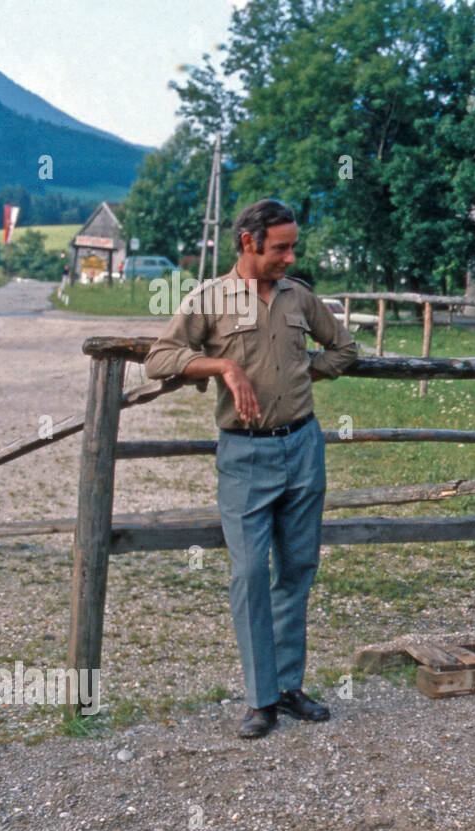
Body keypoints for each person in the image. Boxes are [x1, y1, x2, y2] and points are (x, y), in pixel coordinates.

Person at [144, 199, 358, 738]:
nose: (289, 256)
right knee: (248, 574)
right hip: (244, 454)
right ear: (248, 243)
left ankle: (289, 688)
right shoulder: (209, 299)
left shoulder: (299, 297)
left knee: (297, 568)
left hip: (304, 447)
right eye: (280, 247)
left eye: (292, 247)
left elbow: (344, 348)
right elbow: (159, 358)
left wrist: (304, 372)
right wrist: (223, 365)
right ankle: (260, 698)